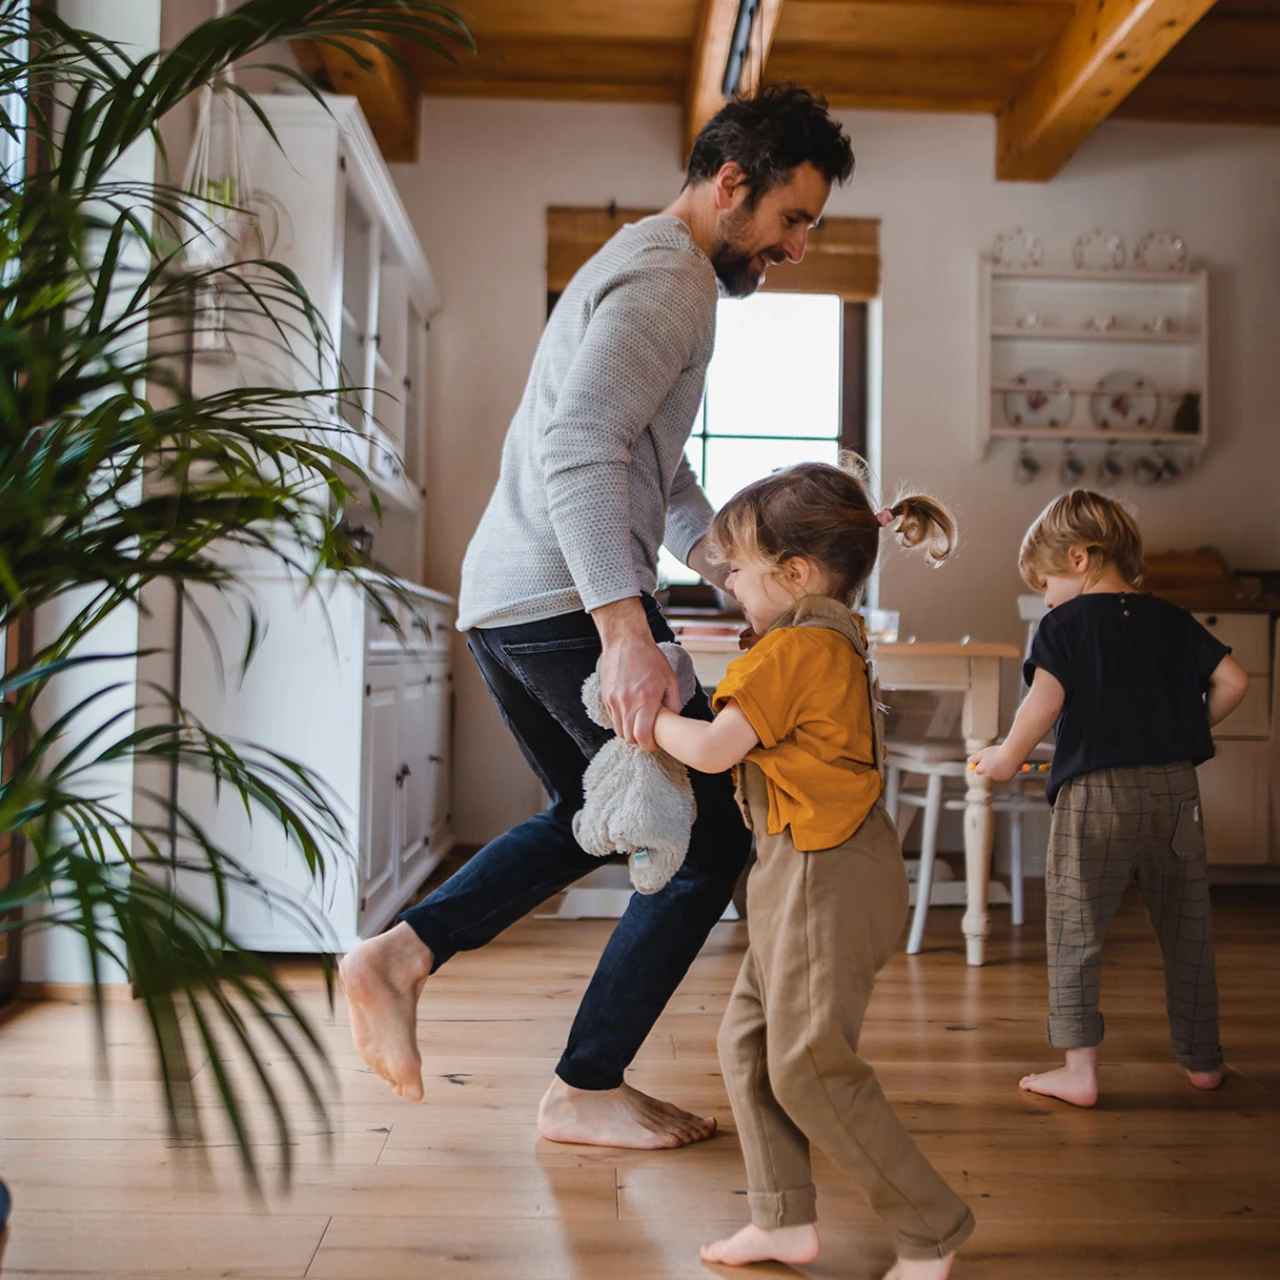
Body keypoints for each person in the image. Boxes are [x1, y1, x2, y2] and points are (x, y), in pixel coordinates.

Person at [338, 86, 856, 1149]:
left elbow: (644, 472)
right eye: (791, 218)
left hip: (518, 593)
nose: (797, 246)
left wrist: (750, 570)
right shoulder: (670, 278)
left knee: (594, 811)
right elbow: (578, 449)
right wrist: (624, 629)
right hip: (562, 596)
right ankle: (582, 1082)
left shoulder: (647, 263)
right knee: (707, 841)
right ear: (730, 185)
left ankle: (400, 955)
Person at [653, 459, 975, 1279]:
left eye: (739, 571)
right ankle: (782, 1219)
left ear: (795, 574)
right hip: (821, 863)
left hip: (818, 872)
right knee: (749, 1043)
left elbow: (715, 750)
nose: (729, 585)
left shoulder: (790, 651)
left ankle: (930, 1227)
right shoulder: (835, 636)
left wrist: (648, 721)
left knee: (806, 1064)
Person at [970, 490, 1249, 1108]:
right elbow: (1234, 681)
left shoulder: (1063, 627)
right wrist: (1187, 730)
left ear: (1079, 558)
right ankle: (1204, 1063)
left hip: (1096, 795)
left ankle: (1079, 1070)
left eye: (1045, 581)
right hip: (1176, 793)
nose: (1044, 597)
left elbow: (1041, 705)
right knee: (1188, 930)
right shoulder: (1172, 617)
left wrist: (1006, 756)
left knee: (1077, 928)